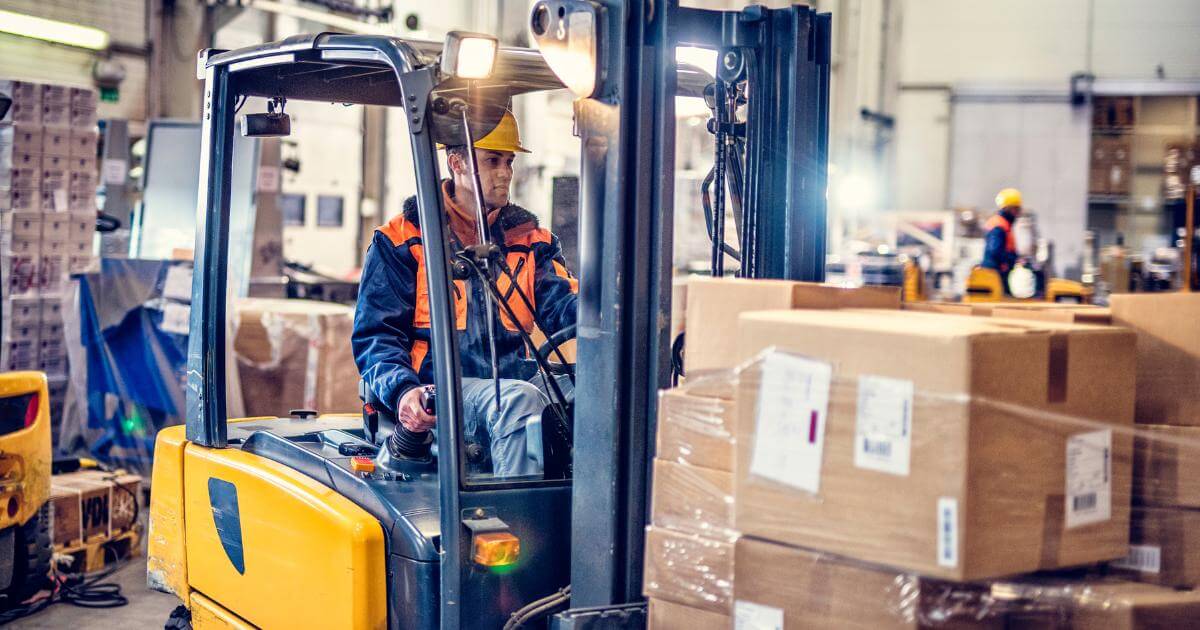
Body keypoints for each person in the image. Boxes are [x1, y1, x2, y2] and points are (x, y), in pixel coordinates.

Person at [352, 111, 578, 478]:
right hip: (438, 389)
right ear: (455, 161)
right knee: (516, 402)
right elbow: (375, 338)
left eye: (509, 161)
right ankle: (518, 527)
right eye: (492, 161)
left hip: (514, 380)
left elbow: (566, 308)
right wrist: (404, 391)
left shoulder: (531, 241)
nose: (505, 172)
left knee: (598, 393)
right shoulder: (402, 240)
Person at [982, 187, 1022, 293]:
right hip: (995, 273)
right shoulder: (999, 225)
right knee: (1004, 299)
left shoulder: (1003, 223)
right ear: (1008, 208)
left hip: (999, 271)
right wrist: (1009, 260)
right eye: (1016, 209)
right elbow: (994, 250)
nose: (1017, 214)